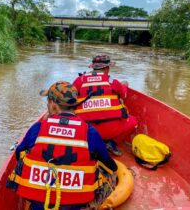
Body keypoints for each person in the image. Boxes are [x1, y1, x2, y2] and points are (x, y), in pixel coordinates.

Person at [7, 81, 118, 210]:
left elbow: (18, 153)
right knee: (107, 174)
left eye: (48, 102)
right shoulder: (89, 131)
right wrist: (114, 171)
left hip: (38, 203)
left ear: (53, 105)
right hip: (76, 203)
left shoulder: (38, 128)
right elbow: (106, 159)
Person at [72, 55, 138, 156]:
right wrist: (124, 85)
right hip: (110, 130)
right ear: (107, 68)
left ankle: (86, 145)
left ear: (93, 67)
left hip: (86, 130)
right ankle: (111, 143)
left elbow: (70, 99)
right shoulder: (112, 82)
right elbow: (123, 95)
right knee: (134, 122)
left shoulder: (79, 80)